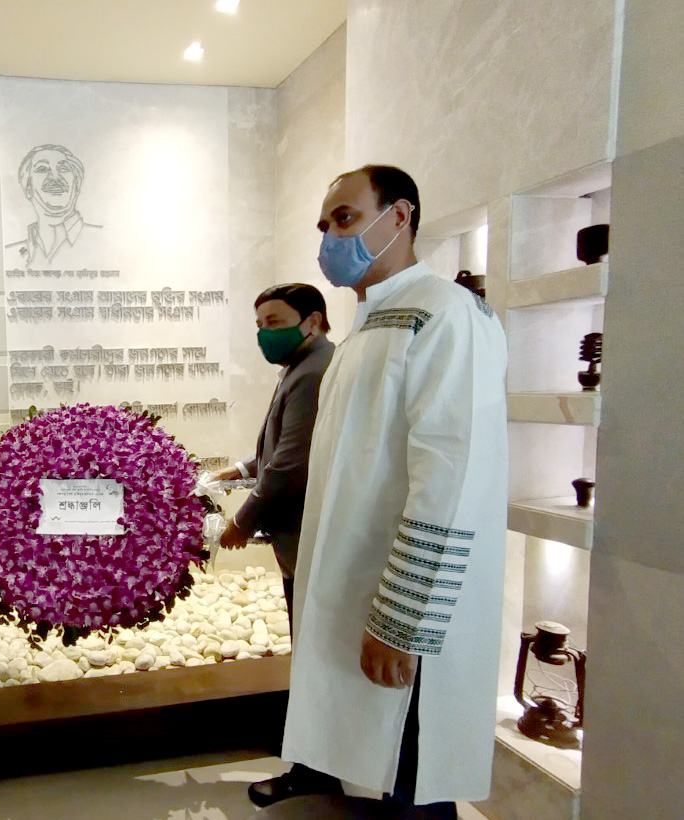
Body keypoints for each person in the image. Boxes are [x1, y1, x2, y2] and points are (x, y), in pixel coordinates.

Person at [254, 166, 507, 817]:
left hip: (405, 603)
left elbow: (450, 475)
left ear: (399, 217)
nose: (330, 238)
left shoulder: (447, 314)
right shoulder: (367, 328)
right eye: (324, 225)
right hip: (357, 585)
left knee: (412, 773)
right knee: (379, 765)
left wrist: (402, 618)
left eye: (345, 218)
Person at [213, 283, 334, 629]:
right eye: (260, 325)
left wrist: (242, 522)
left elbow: (291, 464)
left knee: (310, 632)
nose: (265, 333)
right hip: (305, 537)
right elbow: (292, 440)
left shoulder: (313, 373)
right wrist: (241, 469)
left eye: (275, 322)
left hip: (308, 535)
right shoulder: (304, 365)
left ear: (313, 322)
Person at [5, 144, 101, 268]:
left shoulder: (104, 241)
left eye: (63, 168)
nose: (55, 177)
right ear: (28, 189)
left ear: (77, 185)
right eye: (42, 169)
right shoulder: (11, 255)